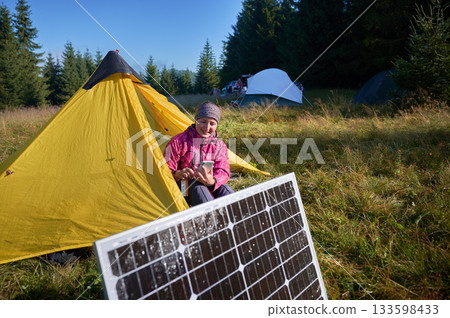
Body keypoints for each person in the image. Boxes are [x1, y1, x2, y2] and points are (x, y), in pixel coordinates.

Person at [164, 101, 234, 206]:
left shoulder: (219, 145)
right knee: (196, 185)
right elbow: (165, 170)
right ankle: (213, 219)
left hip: (210, 185)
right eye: (203, 121)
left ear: (216, 125)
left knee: (225, 189)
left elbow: (223, 171)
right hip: (184, 188)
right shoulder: (178, 141)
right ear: (196, 121)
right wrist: (177, 174)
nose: (206, 127)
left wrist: (212, 181)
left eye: (212, 123)